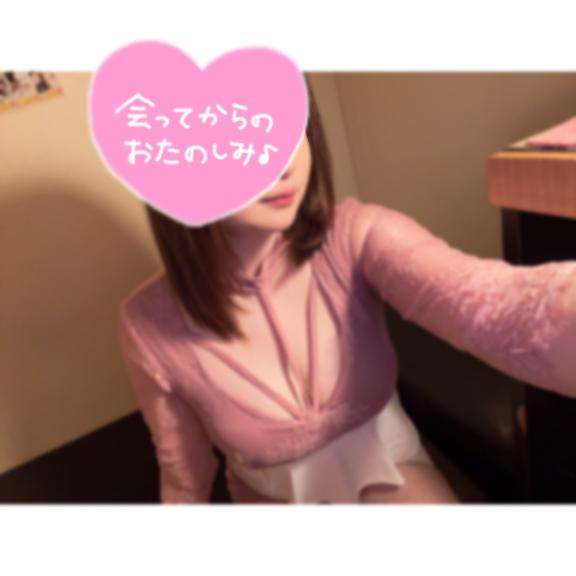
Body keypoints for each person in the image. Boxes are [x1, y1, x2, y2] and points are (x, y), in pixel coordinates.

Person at [119, 77, 576, 504]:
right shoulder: (148, 324)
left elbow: (491, 306)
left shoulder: (357, 235)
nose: (282, 162)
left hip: (390, 466)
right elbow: (184, 476)